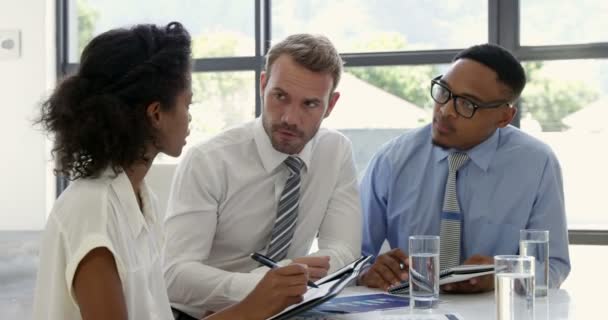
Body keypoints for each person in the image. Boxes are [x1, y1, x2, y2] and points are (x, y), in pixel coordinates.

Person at [32, 22, 310, 320]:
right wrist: (251, 308)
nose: (189, 117)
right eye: (187, 104)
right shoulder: (93, 210)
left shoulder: (139, 198)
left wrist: (256, 304)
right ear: (155, 114)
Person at [164, 33, 362, 317]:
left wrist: (289, 274)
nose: (290, 119)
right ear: (263, 85)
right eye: (280, 96)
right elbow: (174, 274)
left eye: (310, 104)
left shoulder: (336, 151)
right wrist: (261, 286)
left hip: (287, 313)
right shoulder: (208, 161)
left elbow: (344, 248)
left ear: (330, 105)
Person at [358, 43, 570, 293]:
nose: (446, 111)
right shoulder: (392, 160)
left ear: (504, 117)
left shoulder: (537, 164)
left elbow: (553, 265)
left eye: (468, 104)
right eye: (444, 92)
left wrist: (501, 276)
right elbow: (354, 256)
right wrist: (366, 273)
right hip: (410, 309)